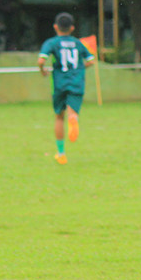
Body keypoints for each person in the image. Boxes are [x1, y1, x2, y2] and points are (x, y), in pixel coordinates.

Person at [38, 12, 95, 165]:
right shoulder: (78, 43)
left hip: (59, 82)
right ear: (72, 28)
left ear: (55, 27)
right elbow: (91, 60)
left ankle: (61, 154)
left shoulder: (51, 42)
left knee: (58, 116)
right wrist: (78, 67)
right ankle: (73, 118)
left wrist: (43, 70)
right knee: (72, 111)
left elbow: (41, 60)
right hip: (76, 82)